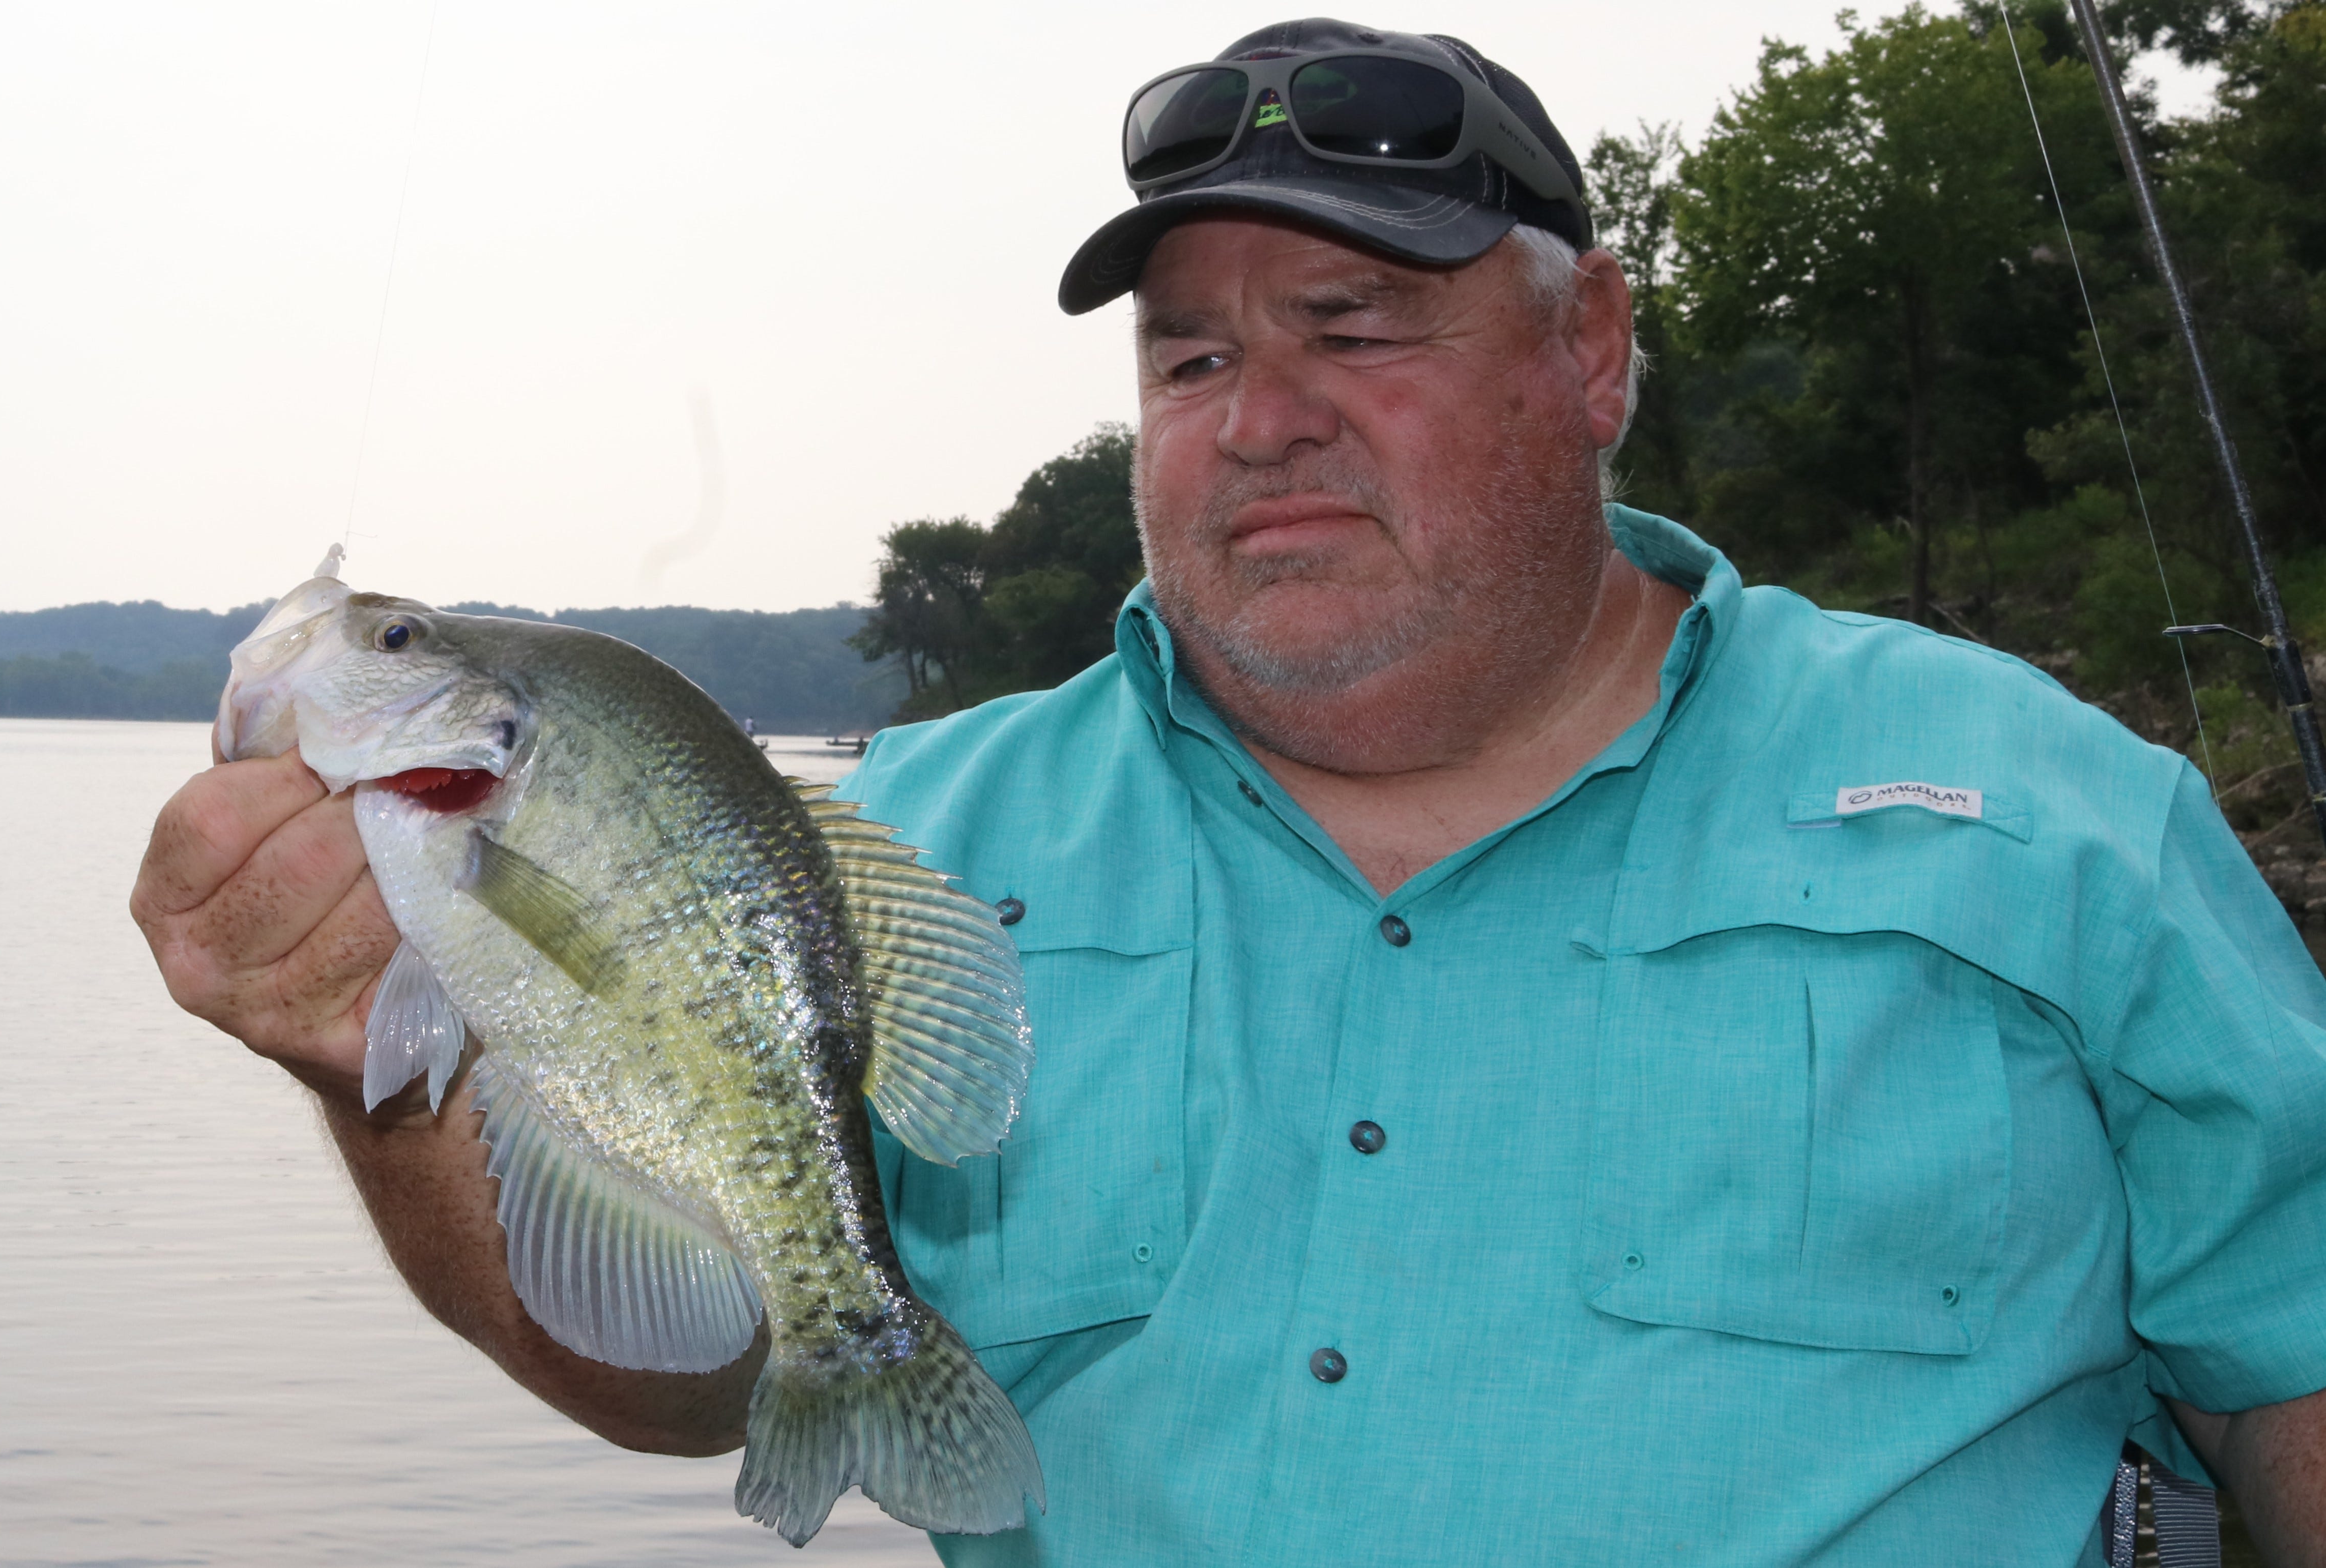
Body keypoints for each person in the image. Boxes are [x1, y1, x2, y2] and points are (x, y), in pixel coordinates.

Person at [131, 20, 2326, 1564]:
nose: (1256, 417)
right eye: (1189, 356)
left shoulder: (2047, 818)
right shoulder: (910, 836)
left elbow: (2290, 1375)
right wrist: (376, 1058)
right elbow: (673, 1378)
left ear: (1588, 356)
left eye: (1351, 326)